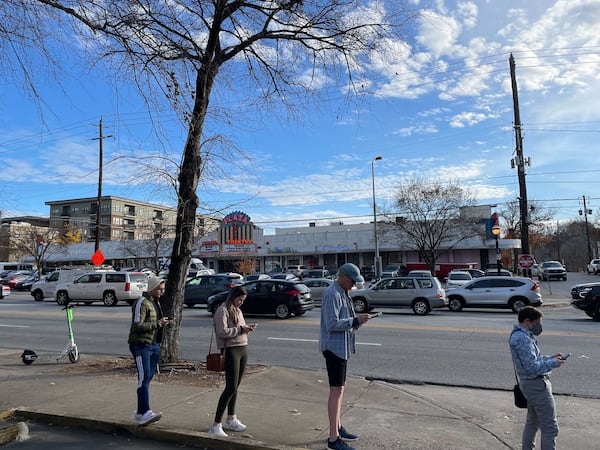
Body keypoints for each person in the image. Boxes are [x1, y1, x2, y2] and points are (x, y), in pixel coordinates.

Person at [319, 263, 371, 450]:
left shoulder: (343, 292)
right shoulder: (332, 293)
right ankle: (333, 439)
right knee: (336, 390)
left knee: (340, 388)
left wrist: (357, 321)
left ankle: (338, 427)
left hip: (341, 347)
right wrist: (355, 320)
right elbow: (332, 323)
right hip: (334, 348)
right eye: (351, 281)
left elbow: (345, 319)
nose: (352, 285)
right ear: (342, 276)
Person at [509, 306, 566, 450]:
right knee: (550, 428)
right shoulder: (522, 338)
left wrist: (550, 358)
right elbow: (531, 367)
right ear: (527, 321)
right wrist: (553, 363)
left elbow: (535, 359)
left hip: (530, 384)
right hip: (536, 385)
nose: (539, 326)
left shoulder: (523, 335)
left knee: (533, 422)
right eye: (537, 323)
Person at [208, 286, 257, 437]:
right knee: (230, 387)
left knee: (236, 386)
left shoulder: (238, 310)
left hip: (242, 347)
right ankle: (216, 424)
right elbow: (222, 332)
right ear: (233, 297)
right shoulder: (222, 310)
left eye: (243, 300)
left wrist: (247, 329)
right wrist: (241, 330)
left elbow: (239, 327)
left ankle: (231, 418)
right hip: (231, 350)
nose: (241, 302)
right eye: (240, 299)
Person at [128, 276, 171, 426]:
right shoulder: (142, 302)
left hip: (153, 345)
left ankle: (141, 413)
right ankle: (145, 411)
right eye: (160, 289)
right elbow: (137, 326)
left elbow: (153, 324)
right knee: (144, 377)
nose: (162, 291)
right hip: (141, 345)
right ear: (152, 288)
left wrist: (162, 323)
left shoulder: (154, 302)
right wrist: (158, 323)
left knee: (148, 377)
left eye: (163, 289)